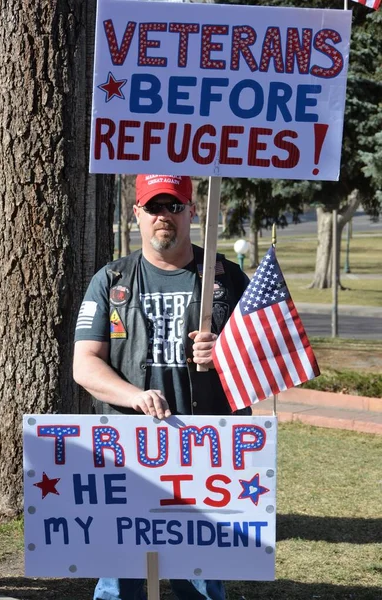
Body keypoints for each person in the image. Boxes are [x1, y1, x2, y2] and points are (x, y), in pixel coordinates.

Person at [73, 174, 250, 600]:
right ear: (137, 214)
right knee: (120, 583)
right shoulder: (112, 280)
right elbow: (85, 364)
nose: (163, 216)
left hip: (204, 454)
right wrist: (134, 396)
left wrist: (225, 354)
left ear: (192, 212)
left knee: (202, 583)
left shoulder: (226, 279)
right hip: (128, 453)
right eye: (153, 207)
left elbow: (268, 357)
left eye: (174, 206)